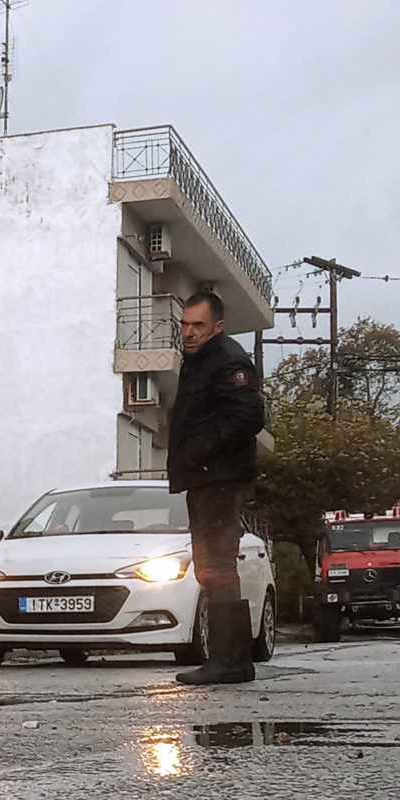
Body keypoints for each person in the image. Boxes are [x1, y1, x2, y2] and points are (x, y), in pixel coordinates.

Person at [167, 291, 269, 686]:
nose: (189, 333)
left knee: (217, 567)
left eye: (198, 326)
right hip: (206, 475)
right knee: (211, 568)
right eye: (185, 324)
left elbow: (248, 416)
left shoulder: (227, 360)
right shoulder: (200, 361)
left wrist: (198, 452)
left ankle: (230, 661)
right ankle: (230, 660)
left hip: (220, 476)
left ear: (218, 326)